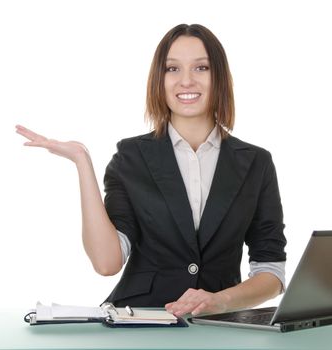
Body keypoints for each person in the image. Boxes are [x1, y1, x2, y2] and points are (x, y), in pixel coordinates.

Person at [16, 23, 287, 317]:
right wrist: (82, 161)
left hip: (218, 326)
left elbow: (271, 272)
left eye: (201, 68)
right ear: (159, 79)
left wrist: (221, 300)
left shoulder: (256, 162)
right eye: (172, 69)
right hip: (138, 322)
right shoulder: (131, 156)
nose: (186, 81)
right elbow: (107, 262)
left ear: (219, 77)